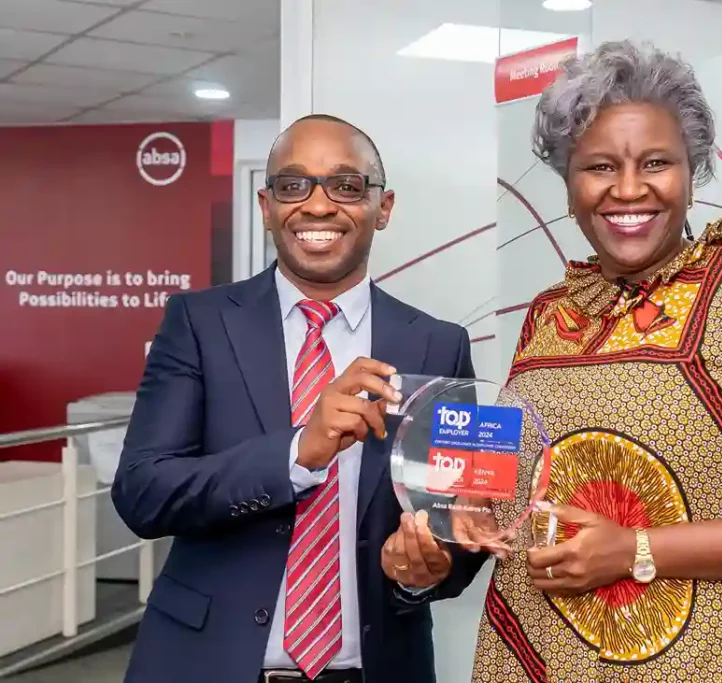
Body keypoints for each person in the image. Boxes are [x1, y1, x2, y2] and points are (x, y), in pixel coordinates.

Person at [469, 41, 722, 683]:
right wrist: (458, 516)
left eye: (656, 162)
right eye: (599, 166)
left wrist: (634, 549)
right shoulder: (550, 313)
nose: (628, 190)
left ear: (692, 172)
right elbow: (512, 491)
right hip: (537, 659)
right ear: (569, 181)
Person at [112, 114, 486, 683]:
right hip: (206, 664)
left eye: (345, 185)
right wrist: (295, 454)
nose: (317, 205)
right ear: (267, 206)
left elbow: (463, 522)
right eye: (293, 185)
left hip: (377, 668)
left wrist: (426, 569)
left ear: (382, 208)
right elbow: (142, 493)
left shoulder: (438, 345)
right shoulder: (199, 323)